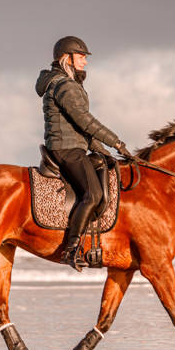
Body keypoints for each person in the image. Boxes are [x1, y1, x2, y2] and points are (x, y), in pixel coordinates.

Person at [35, 36, 132, 271]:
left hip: (72, 145)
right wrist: (116, 142)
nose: (85, 62)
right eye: (81, 57)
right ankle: (71, 249)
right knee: (93, 194)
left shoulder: (64, 83)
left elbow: (79, 129)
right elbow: (84, 121)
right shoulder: (64, 86)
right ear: (66, 58)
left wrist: (104, 151)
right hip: (66, 150)